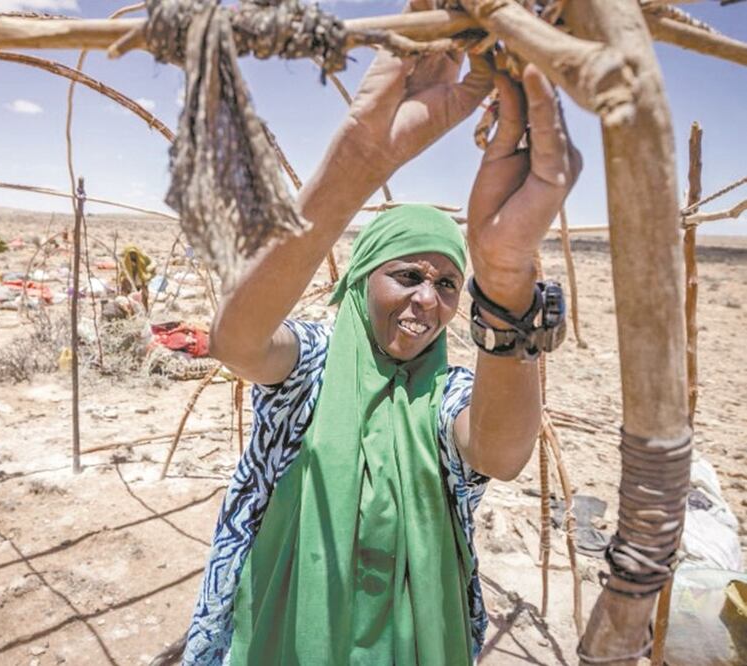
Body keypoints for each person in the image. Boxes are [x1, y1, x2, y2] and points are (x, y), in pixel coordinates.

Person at [181, 38, 582, 666]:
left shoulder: (443, 393)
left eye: (447, 284)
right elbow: (236, 342)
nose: (427, 300)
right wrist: (358, 162)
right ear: (362, 275)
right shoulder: (311, 362)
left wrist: (505, 285)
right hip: (281, 638)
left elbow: (500, 453)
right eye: (407, 276)